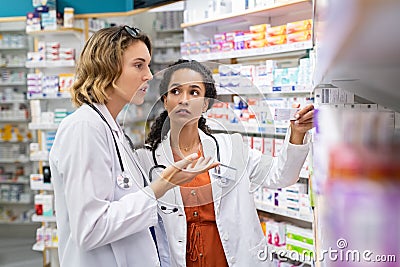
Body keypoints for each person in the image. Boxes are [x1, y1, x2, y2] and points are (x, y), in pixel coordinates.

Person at [49, 27, 217, 267]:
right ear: (107, 67)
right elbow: (90, 229)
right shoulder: (85, 128)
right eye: (139, 65)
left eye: (148, 66)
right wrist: (161, 186)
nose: (149, 75)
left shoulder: (112, 129)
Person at [135, 59, 314, 267]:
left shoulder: (231, 147)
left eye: (194, 92)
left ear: (205, 104)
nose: (184, 99)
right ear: (165, 101)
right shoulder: (146, 160)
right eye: (176, 91)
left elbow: (281, 175)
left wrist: (297, 133)